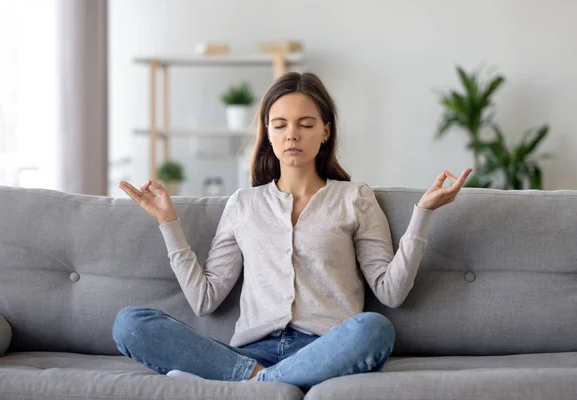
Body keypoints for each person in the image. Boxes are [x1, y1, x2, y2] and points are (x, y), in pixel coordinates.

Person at [113, 72, 472, 389]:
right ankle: (260, 380)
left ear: (325, 130)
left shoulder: (354, 197)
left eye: (305, 123)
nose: (292, 135)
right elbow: (204, 300)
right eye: (280, 124)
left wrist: (423, 214)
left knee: (375, 329)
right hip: (248, 352)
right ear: (267, 133)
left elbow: (390, 292)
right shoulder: (243, 204)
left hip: (325, 349)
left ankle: (252, 386)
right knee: (130, 324)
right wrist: (167, 223)